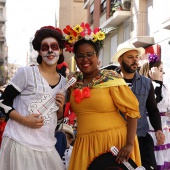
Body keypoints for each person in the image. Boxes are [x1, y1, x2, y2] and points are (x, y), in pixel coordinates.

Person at [63, 22, 142, 170]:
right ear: (75, 59)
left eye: (89, 55)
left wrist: (130, 143)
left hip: (114, 141)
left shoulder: (111, 77)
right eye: (80, 56)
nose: (85, 59)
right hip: (84, 144)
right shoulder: (72, 82)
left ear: (97, 56)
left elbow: (132, 111)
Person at [0, 26, 67, 170]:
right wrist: (25, 120)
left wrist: (61, 109)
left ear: (60, 50)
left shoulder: (64, 83)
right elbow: (2, 102)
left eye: (54, 47)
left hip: (47, 146)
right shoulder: (26, 73)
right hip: (20, 142)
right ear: (39, 51)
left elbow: (56, 122)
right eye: (45, 47)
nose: (50, 51)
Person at [112, 42, 165, 170]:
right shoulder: (111, 82)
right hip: (116, 140)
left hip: (141, 138)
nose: (135, 60)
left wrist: (158, 129)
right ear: (120, 60)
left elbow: (152, 109)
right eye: (130, 57)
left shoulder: (146, 82)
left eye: (136, 57)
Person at [139, 54, 170, 170]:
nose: (162, 73)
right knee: (153, 161)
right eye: (160, 70)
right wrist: (155, 80)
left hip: (164, 131)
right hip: (150, 130)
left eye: (162, 71)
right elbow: (154, 104)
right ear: (150, 71)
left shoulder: (166, 87)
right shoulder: (146, 86)